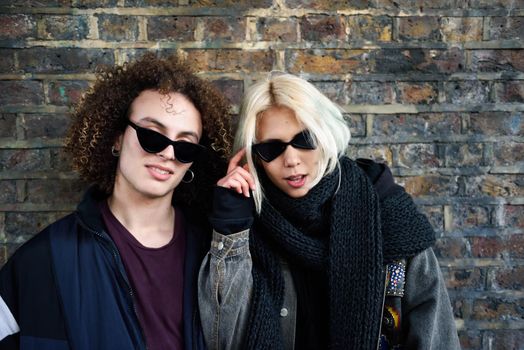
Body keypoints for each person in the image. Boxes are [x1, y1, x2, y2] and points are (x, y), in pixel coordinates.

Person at [198, 72, 461, 349]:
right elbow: (220, 336)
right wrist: (232, 227)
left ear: (325, 134)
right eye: (271, 148)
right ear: (254, 156)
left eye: (305, 139)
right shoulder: (241, 224)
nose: (291, 160)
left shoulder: (388, 215)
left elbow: (435, 334)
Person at [0, 52, 232, 350]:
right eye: (152, 135)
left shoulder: (214, 254)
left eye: (185, 147)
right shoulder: (46, 258)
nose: (168, 154)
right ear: (117, 137)